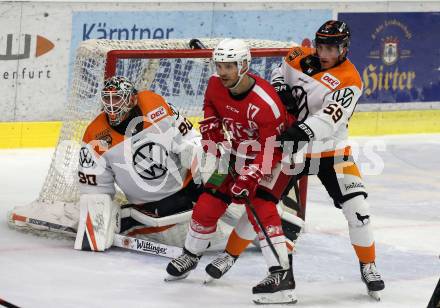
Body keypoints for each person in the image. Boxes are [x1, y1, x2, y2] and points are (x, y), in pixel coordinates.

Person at [205, 20, 385, 299]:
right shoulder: (296, 56)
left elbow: (329, 118)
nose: (325, 54)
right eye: (322, 47)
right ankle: (229, 255)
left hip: (330, 153)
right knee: (260, 206)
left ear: (345, 48)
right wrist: (279, 90)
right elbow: (278, 74)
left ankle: (368, 265)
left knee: (358, 211)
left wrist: (303, 130)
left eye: (332, 48)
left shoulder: (350, 79)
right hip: (291, 153)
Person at [165, 39, 298, 305]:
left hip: (277, 158)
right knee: (207, 202)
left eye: (229, 66)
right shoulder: (216, 83)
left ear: (244, 65)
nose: (222, 71)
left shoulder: (266, 103)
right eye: (219, 65)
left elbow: (273, 148)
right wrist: (212, 123)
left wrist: (251, 175)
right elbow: (211, 105)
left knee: (261, 208)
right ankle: (191, 255)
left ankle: (281, 275)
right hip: (236, 155)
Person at [74, 76, 204, 250]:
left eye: (118, 98)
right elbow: (95, 189)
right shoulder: (94, 135)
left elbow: (190, 137)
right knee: (189, 238)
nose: (112, 105)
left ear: (133, 98)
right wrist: (97, 219)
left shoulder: (155, 103)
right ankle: (128, 219)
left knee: (216, 162)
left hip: (190, 185)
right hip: (152, 205)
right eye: (108, 98)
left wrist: (191, 150)